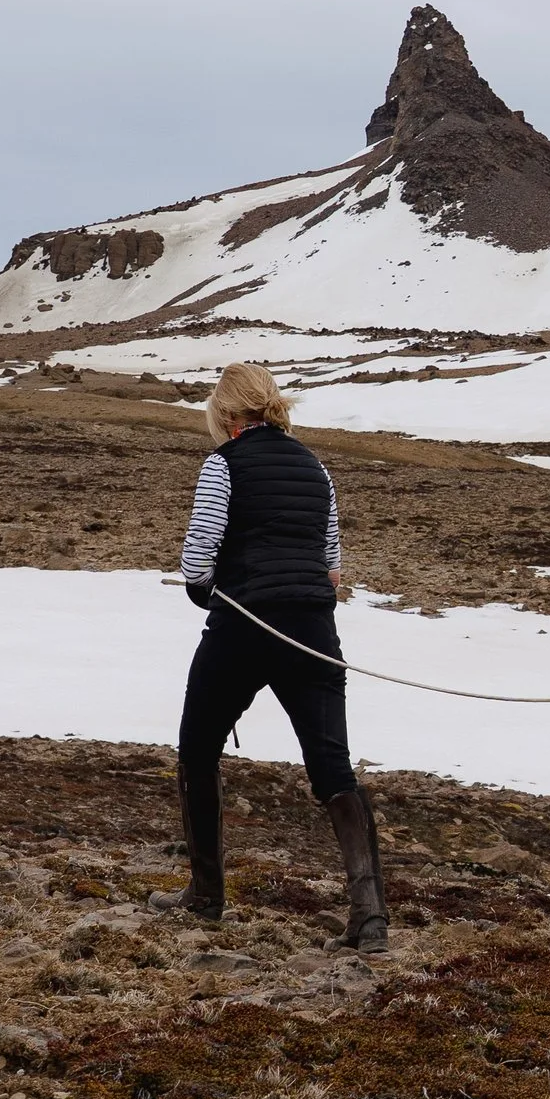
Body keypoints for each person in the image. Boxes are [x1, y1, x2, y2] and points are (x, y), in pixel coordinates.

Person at [147, 362, 387, 951]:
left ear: (227, 414)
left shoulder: (223, 464)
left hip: (244, 626)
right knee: (333, 766)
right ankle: (370, 918)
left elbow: (197, 557)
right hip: (313, 629)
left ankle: (206, 895)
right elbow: (331, 561)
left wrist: (206, 590)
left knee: (198, 749)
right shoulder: (316, 467)